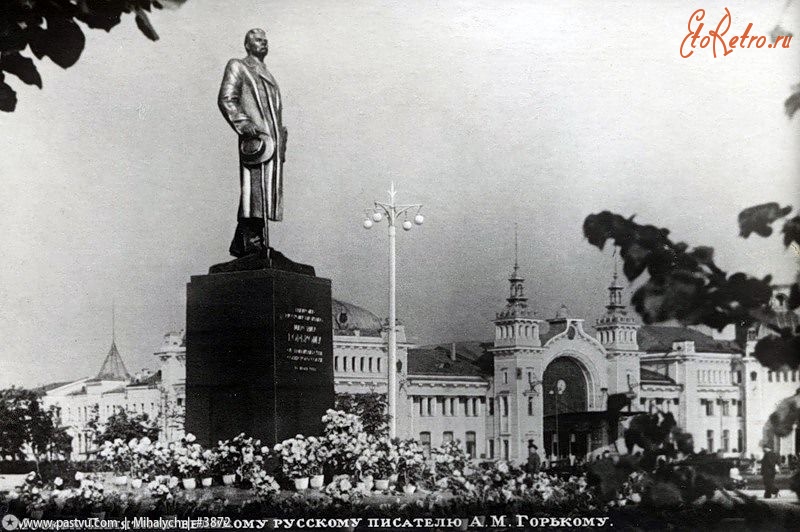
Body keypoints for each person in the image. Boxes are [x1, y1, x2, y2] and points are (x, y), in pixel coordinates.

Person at [219, 28, 288, 258]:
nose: (264, 43)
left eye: (266, 40)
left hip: (272, 143)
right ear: (248, 45)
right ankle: (251, 240)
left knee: (265, 191)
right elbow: (227, 98)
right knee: (254, 189)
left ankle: (247, 241)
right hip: (256, 140)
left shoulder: (267, 72)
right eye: (259, 40)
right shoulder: (238, 66)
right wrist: (243, 123)